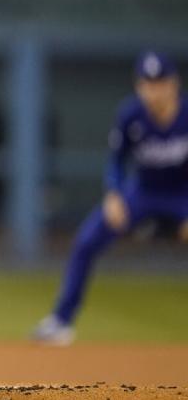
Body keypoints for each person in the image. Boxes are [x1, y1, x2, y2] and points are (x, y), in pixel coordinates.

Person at [34, 51, 188, 345]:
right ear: (139, 85)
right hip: (143, 191)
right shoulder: (131, 115)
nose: (153, 90)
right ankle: (61, 321)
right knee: (86, 241)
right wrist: (114, 194)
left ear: (173, 84)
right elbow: (117, 161)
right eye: (147, 83)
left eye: (160, 82)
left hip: (182, 194)